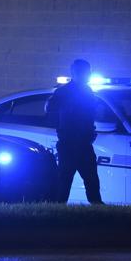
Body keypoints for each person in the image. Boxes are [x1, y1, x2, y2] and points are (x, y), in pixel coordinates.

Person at [46, 59, 103, 204]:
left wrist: (91, 130)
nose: (87, 75)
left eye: (88, 71)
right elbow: (50, 112)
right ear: (75, 72)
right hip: (69, 144)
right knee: (64, 182)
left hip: (84, 144)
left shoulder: (88, 91)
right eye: (84, 72)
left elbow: (92, 114)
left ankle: (98, 208)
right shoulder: (63, 92)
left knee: (92, 180)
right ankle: (57, 212)